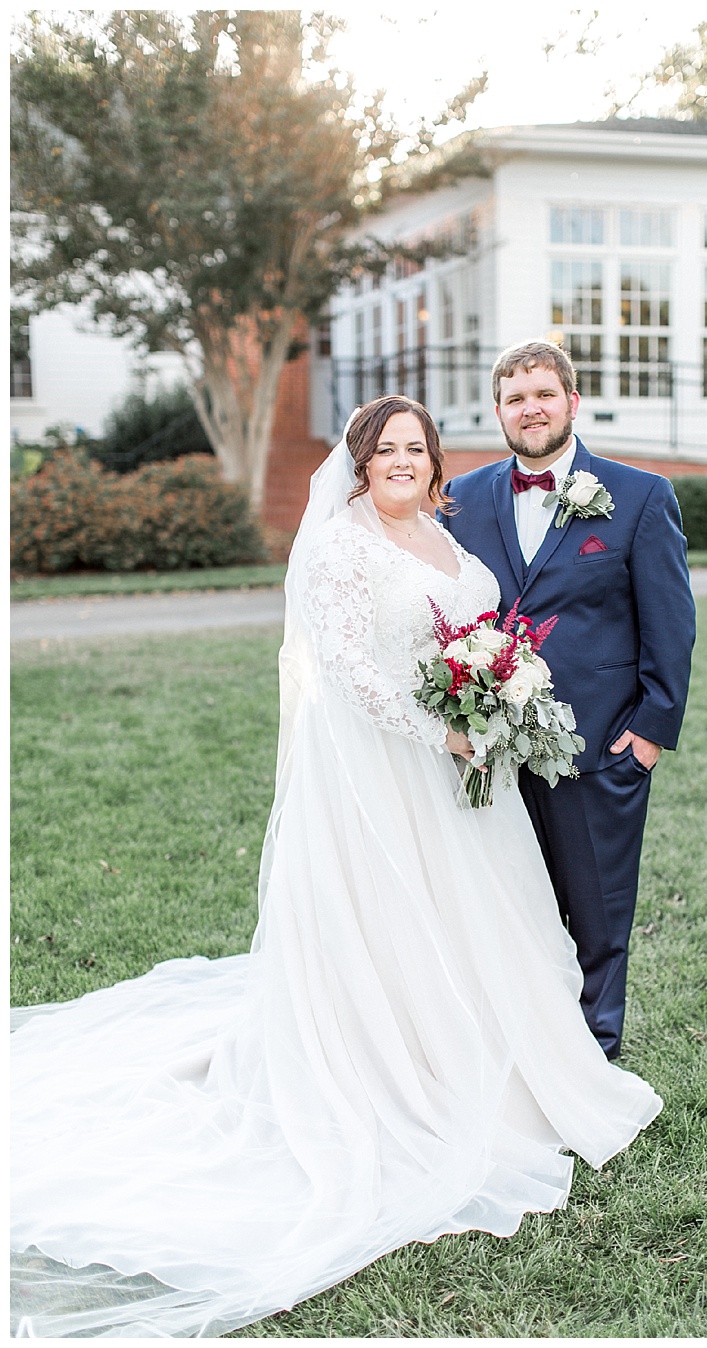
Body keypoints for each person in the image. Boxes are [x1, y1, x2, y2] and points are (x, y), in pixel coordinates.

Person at [10, 396, 662, 1337]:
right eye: (384, 449)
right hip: (379, 776)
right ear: (359, 464)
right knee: (395, 927)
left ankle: (498, 1063)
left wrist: (494, 704)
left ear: (436, 463)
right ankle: (396, 1080)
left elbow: (487, 638)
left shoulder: (453, 542)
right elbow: (349, 667)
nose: (401, 461)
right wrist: (439, 726)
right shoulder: (338, 545)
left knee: (477, 925)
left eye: (416, 448)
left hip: (462, 781)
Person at [443, 342, 695, 1061]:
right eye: (515, 399)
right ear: (498, 411)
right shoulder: (463, 499)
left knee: (598, 911)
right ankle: (518, 1044)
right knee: (507, 906)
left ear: (572, 402)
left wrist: (649, 733)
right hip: (491, 745)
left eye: (544, 395)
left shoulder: (640, 495)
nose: (531, 410)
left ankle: (593, 1054)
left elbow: (671, 624)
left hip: (599, 745)